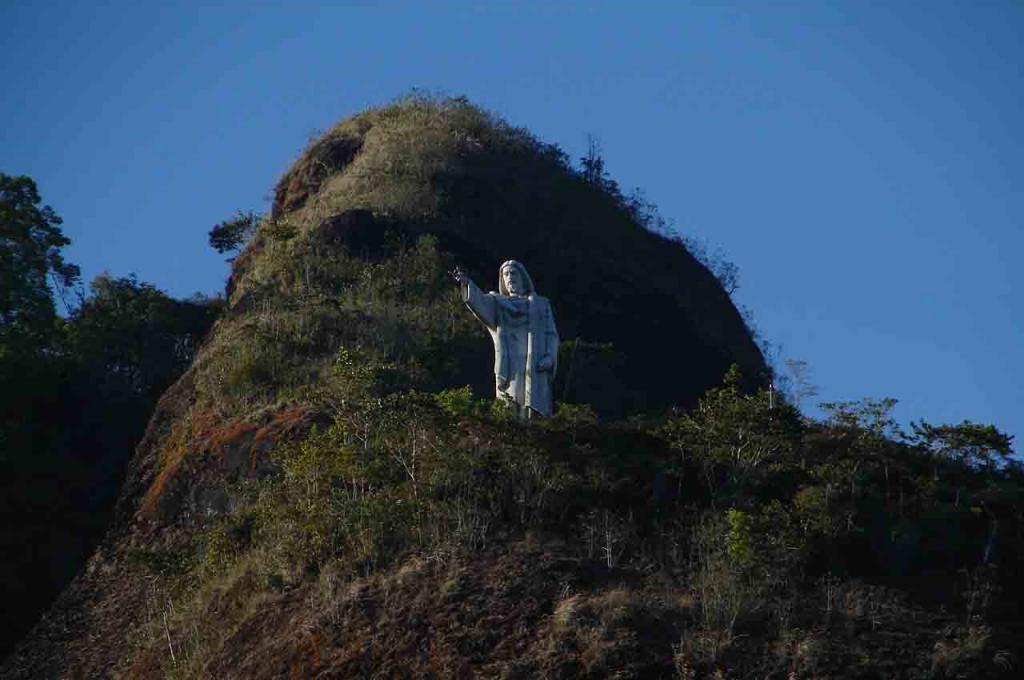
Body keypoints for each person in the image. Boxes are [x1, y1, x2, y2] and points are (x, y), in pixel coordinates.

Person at [453, 260, 559, 418]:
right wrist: (467, 283)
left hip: (536, 363)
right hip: (510, 366)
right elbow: (480, 303)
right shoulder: (498, 304)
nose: (510, 277)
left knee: (536, 410)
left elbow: (551, 334)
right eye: (506, 274)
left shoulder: (541, 305)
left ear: (523, 277)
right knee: (510, 405)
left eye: (513, 273)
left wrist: (550, 357)